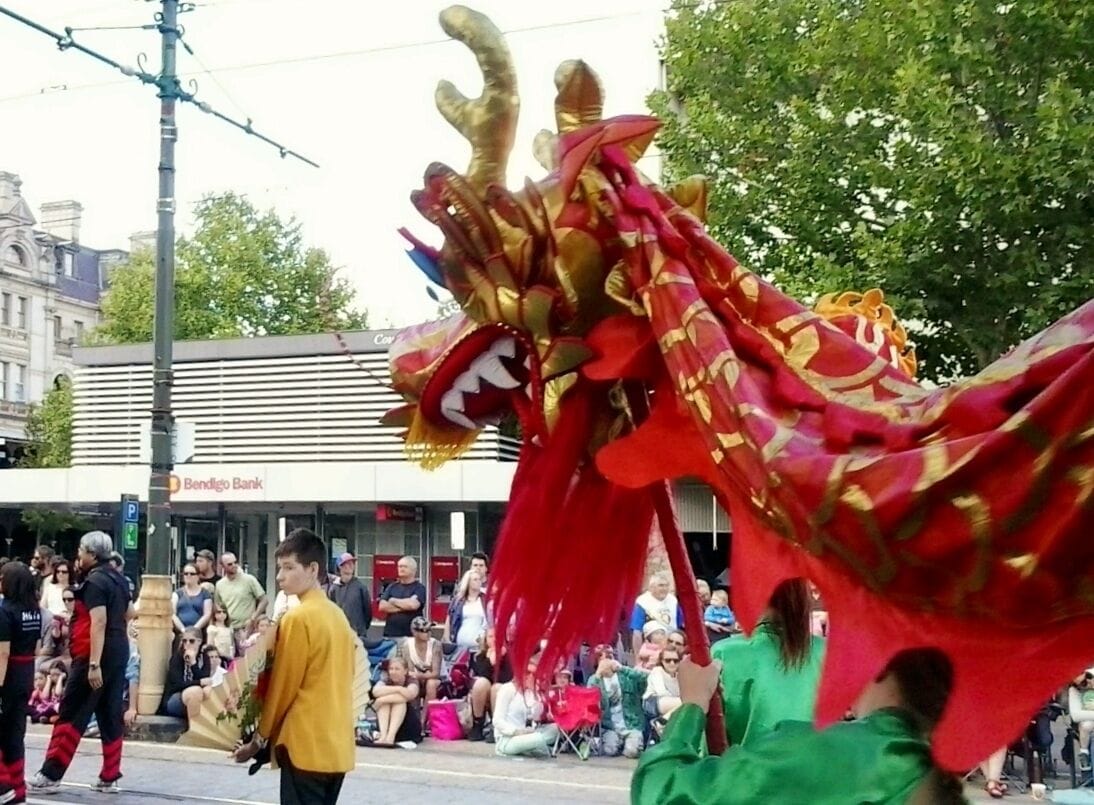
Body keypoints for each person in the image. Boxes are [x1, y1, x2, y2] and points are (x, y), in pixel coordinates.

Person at [631, 648, 965, 804]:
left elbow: (662, 792)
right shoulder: (939, 776)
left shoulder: (821, 752)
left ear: (878, 661)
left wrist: (691, 706)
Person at [232, 528, 356, 805]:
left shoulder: (297, 618)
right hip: (337, 744)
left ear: (313, 569)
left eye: (289, 567)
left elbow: (283, 686)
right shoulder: (338, 616)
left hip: (304, 742)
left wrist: (259, 738)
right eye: (280, 568)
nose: (280, 576)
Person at [30, 531, 134, 796]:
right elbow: (129, 613)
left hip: (94, 655)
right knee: (110, 714)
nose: (79, 555)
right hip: (118, 650)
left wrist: (94, 664)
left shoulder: (96, 582)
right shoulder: (119, 579)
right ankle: (110, 776)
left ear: (91, 554)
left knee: (71, 712)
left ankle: (51, 775)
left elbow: (98, 622)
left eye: (81, 551)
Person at [711, 578, 826, 747]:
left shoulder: (726, 654)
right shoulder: (826, 651)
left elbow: (711, 743)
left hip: (749, 769)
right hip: (817, 767)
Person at [0, 561, 43, 804]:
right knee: (15, 734)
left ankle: (4, 785)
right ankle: (18, 788)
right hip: (25, 672)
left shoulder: (4, 611)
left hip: (8, 673)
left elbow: (2, 653)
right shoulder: (33, 610)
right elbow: (37, 648)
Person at [629, 573, 681, 659]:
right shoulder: (642, 602)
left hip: (672, 646)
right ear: (651, 587)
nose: (664, 589)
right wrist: (637, 658)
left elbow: (680, 626)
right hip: (650, 650)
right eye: (661, 585)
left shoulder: (673, 600)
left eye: (666, 585)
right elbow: (637, 632)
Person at [328, 553, 372, 645]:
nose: (349, 566)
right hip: (339, 633)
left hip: (358, 634)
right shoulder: (334, 589)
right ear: (340, 567)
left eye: (352, 563)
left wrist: (362, 628)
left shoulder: (361, 587)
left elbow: (368, 611)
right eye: (346, 564)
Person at [378, 556, 427, 638]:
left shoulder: (419, 588)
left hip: (411, 636)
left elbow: (413, 605)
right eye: (399, 566)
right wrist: (406, 606)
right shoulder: (392, 586)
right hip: (391, 635)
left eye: (405, 567)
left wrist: (393, 600)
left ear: (413, 570)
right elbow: (382, 606)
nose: (401, 569)